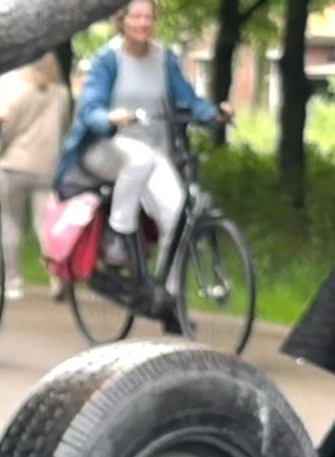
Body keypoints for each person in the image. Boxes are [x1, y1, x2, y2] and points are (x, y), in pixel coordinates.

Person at [57, 0, 231, 302]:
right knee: (140, 158)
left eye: (148, 17)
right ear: (122, 20)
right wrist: (110, 118)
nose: (142, 23)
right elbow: (90, 110)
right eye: (136, 17)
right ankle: (118, 237)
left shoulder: (165, 59)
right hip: (107, 148)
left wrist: (214, 114)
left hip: (155, 152)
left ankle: (166, 294)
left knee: (178, 218)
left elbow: (188, 100)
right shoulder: (107, 60)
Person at [0, 55, 70, 302]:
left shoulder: (17, 91)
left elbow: (4, 128)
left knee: (11, 222)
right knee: (44, 225)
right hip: (47, 166)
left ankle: (12, 282)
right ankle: (57, 277)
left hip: (15, 164)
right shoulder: (61, 95)